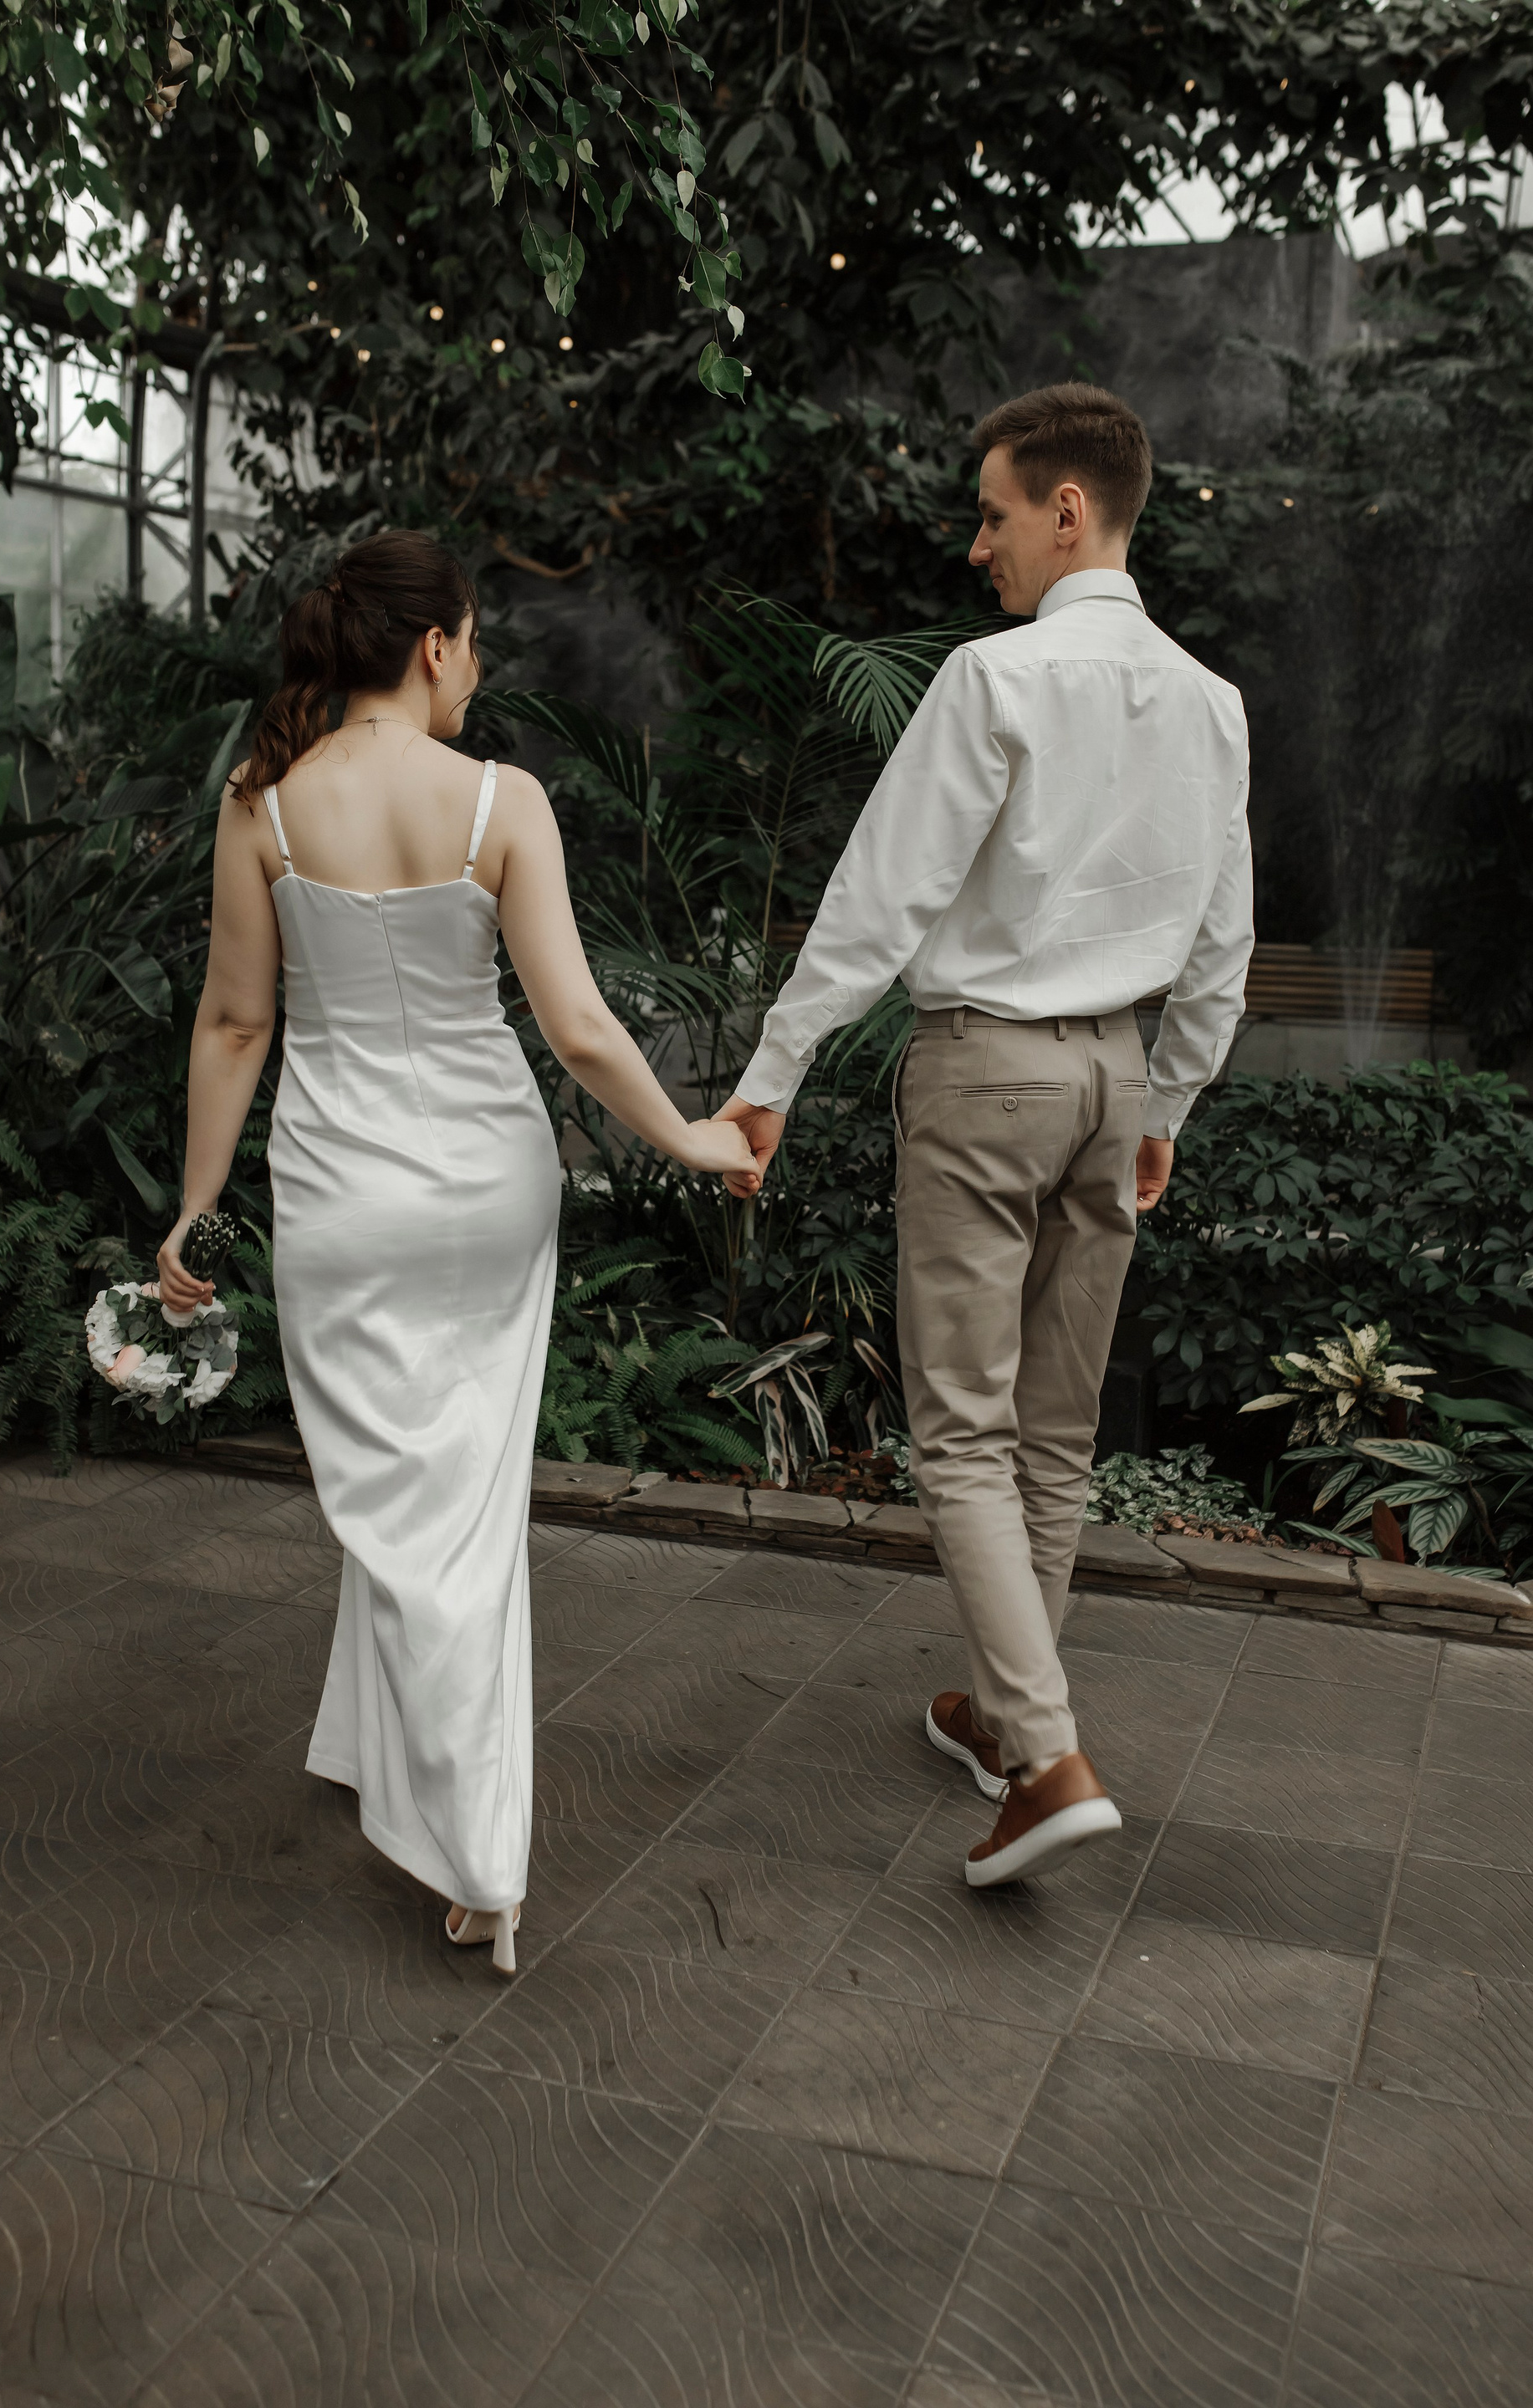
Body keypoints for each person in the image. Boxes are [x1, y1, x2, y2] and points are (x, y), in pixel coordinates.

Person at [157, 530, 756, 1975]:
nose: (476, 669)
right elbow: (579, 1028)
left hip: (343, 1194)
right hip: (490, 1187)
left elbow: (235, 1024)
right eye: (474, 641)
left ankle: (448, 1818)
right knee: (461, 1502)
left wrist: (194, 1210)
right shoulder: (502, 800)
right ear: (434, 646)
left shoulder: (265, 805)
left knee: (395, 1494)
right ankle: (451, 1825)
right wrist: (690, 1140)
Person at [715, 383, 1253, 1886]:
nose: (977, 546)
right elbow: (1224, 946)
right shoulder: (1212, 704)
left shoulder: (993, 679)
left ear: (1067, 512)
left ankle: (1050, 1758)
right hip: (1113, 1081)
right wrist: (1166, 1104)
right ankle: (1010, 1725)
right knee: (1059, 1436)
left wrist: (773, 1071)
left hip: (987, 1075)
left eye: (994, 514)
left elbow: (878, 898)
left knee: (961, 1430)